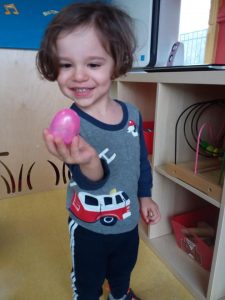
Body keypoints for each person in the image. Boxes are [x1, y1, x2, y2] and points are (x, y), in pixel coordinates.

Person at [36, 1, 161, 300]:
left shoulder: (132, 113)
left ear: (116, 63)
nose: (78, 75)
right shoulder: (72, 123)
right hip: (89, 226)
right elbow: (90, 180)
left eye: (93, 64)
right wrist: (89, 159)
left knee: (123, 268)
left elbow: (140, 161)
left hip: (128, 219)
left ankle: (120, 294)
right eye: (66, 65)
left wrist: (145, 196)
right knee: (88, 277)